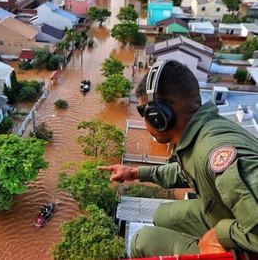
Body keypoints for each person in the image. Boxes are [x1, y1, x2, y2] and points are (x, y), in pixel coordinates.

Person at [98, 60, 258, 257]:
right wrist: (136, 172)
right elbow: (188, 169)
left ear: (159, 115)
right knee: (162, 215)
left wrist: (221, 234)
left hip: (247, 237)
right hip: (226, 212)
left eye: (144, 111)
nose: (145, 118)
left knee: (143, 240)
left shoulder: (217, 155)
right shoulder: (200, 133)